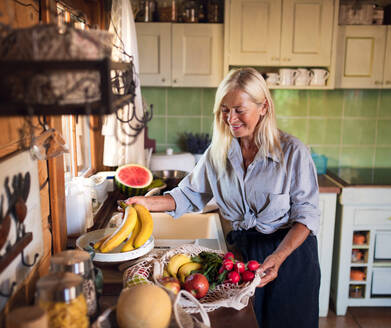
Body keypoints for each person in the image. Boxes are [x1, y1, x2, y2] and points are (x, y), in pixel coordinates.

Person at [125, 67, 321, 328]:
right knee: (246, 323)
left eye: (239, 110)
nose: (231, 119)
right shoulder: (218, 153)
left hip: (290, 256)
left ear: (263, 107)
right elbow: (188, 194)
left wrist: (278, 257)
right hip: (243, 257)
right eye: (225, 110)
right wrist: (146, 203)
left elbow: (306, 216)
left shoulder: (292, 153)